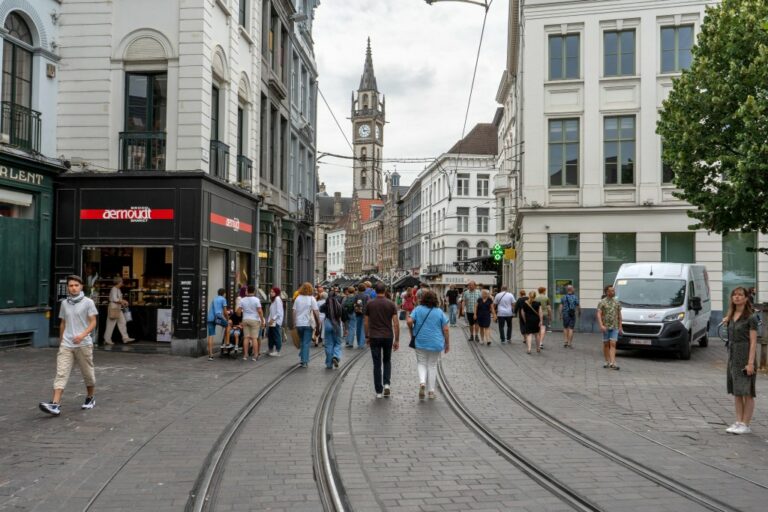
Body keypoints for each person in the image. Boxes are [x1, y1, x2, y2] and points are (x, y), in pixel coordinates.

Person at [39, 275, 99, 416]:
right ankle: (55, 404)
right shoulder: (65, 303)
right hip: (67, 345)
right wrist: (61, 342)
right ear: (68, 287)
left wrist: (82, 335)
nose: (73, 288)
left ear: (81, 286)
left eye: (76, 285)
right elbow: (63, 323)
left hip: (83, 344)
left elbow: (93, 322)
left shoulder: (88, 302)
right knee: (61, 373)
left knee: (87, 373)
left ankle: (90, 397)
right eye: (71, 285)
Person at [723, 287, 759, 434]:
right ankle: (738, 421)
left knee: (747, 391)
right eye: (734, 295)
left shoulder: (751, 317)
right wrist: (727, 320)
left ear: (745, 298)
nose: (737, 297)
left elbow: (753, 342)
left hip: (745, 356)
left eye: (740, 295)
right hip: (733, 356)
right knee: (737, 391)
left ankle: (746, 424)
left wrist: (750, 363)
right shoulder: (731, 316)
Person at [407, 290, 449, 400]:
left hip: (420, 341)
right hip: (436, 342)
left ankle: (422, 383)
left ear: (423, 299)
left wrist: (411, 332)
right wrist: (447, 343)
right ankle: (431, 391)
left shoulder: (418, 309)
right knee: (432, 365)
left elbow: (409, 321)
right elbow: (445, 329)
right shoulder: (439, 312)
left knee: (421, 363)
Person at [364, 282, 400, 398]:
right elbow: (396, 323)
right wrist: (397, 339)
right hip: (388, 336)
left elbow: (366, 322)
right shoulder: (391, 304)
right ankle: (387, 385)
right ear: (384, 291)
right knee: (387, 360)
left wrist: (367, 336)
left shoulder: (370, 304)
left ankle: (378, 391)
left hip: (374, 336)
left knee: (376, 363)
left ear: (375, 291)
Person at [294, 282, 320, 368]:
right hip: (308, 324)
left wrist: (294, 323)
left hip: (299, 324)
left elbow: (294, 311)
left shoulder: (298, 298)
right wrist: (318, 322)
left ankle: (302, 357)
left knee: (302, 341)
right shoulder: (311, 298)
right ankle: (304, 361)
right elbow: (316, 312)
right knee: (306, 343)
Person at [597, 285, 622, 370]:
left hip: (614, 326)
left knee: (613, 343)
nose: (613, 292)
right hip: (606, 327)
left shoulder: (617, 302)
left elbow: (619, 315)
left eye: (613, 290)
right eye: (611, 291)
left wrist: (620, 326)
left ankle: (613, 362)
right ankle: (607, 361)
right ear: (607, 292)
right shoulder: (602, 302)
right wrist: (601, 325)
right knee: (606, 344)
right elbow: (598, 314)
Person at [103, 277, 134, 345]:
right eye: (121, 282)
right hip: (114, 308)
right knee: (110, 324)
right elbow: (115, 299)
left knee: (122, 322)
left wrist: (122, 302)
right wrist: (123, 301)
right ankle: (107, 339)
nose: (122, 283)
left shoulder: (118, 289)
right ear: (118, 282)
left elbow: (118, 299)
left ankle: (125, 338)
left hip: (118, 308)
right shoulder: (114, 289)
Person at [239, 285, 265, 361]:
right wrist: (262, 321)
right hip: (254, 320)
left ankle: (245, 355)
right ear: (254, 291)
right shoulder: (256, 300)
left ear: (247, 291)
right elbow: (260, 311)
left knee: (246, 337)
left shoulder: (242, 300)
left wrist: (240, 320)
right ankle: (255, 355)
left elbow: (238, 311)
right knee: (254, 338)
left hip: (245, 319)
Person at [321, 289, 345, 369]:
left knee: (329, 344)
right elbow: (342, 315)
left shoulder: (326, 304)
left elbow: (321, 309)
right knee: (337, 343)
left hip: (328, 323)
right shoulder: (339, 305)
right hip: (337, 324)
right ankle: (336, 356)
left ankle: (329, 364)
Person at [206, 288, 229, 361]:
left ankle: (210, 355)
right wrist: (227, 318)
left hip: (210, 318)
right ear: (224, 293)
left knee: (211, 335)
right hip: (218, 317)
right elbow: (225, 312)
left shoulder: (214, 299)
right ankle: (226, 344)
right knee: (228, 325)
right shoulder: (223, 299)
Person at [348, 284, 369, 349]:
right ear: (364, 289)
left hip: (357, 313)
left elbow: (354, 304)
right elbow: (368, 304)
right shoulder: (366, 296)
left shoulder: (356, 296)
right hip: (365, 313)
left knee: (358, 328)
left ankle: (358, 341)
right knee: (362, 328)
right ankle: (361, 344)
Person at [266, 287, 284, 356]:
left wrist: (273, 319)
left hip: (276, 321)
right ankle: (270, 349)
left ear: (276, 293)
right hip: (272, 321)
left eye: (273, 292)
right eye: (271, 292)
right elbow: (272, 311)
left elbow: (279, 312)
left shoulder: (277, 299)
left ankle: (277, 350)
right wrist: (269, 320)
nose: (271, 293)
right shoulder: (274, 300)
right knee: (271, 335)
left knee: (276, 335)